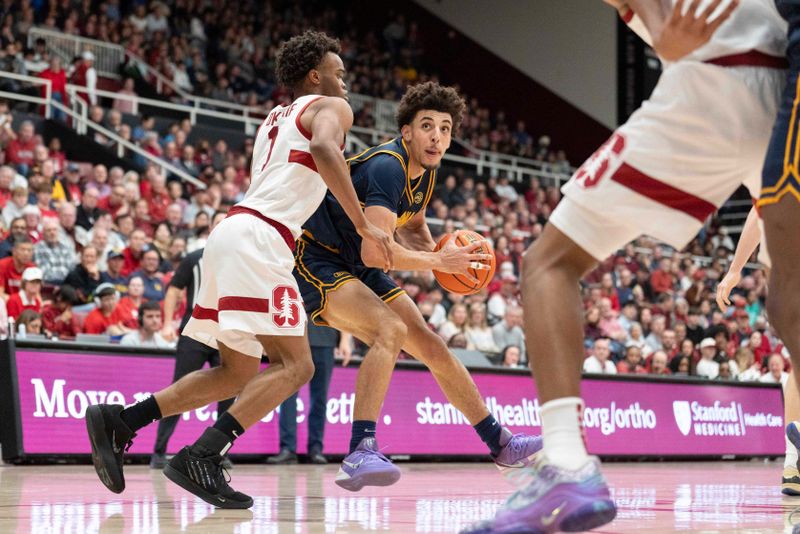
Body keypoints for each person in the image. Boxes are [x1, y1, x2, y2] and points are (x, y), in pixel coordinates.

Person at [466, 1, 783, 531]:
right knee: (791, 297)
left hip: (720, 69)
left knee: (549, 263)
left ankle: (565, 461)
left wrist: (662, 35)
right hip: (787, 85)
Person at [85, 31, 392, 510]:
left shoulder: (276, 116)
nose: (345, 82)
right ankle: (203, 455)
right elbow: (329, 152)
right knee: (298, 366)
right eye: (339, 72)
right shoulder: (333, 108)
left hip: (232, 233)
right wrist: (363, 225)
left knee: (236, 371)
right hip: (261, 239)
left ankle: (122, 420)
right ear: (316, 76)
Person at [294, 81, 540, 493]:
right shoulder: (389, 167)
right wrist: (439, 262)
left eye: (445, 129)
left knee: (433, 346)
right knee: (391, 331)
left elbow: (414, 226)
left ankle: (501, 443)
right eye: (427, 126)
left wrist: (447, 264)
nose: (437, 136)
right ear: (406, 131)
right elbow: (378, 253)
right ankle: (359, 451)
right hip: (318, 257)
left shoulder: (426, 171)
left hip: (358, 261)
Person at [150, 237, 235, 470]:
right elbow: (174, 289)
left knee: (229, 393)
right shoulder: (194, 258)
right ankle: (159, 450)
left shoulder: (238, 259)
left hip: (225, 333)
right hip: (194, 331)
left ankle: (219, 452)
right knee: (180, 388)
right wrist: (167, 323)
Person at [267, 322, 350, 465]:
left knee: (320, 398)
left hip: (325, 339)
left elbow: (344, 308)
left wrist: (345, 340)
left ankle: (316, 449)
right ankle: (287, 448)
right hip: (293, 338)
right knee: (288, 396)